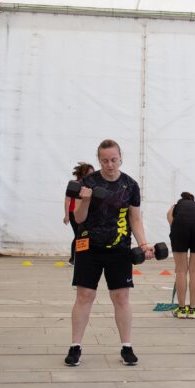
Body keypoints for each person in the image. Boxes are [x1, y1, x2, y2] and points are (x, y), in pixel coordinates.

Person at [65, 140, 154, 367]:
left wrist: (144, 244)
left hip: (119, 249)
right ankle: (75, 347)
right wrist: (85, 200)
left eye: (114, 160)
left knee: (121, 298)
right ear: (99, 160)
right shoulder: (88, 182)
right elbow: (79, 218)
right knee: (84, 296)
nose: (110, 165)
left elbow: (135, 218)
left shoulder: (130, 186)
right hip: (89, 247)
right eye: (105, 161)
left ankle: (127, 347)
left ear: (120, 157)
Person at [167, 192, 195, 319]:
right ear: (193, 200)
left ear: (181, 199)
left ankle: (181, 309)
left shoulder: (174, 207)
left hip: (180, 228)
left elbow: (172, 223)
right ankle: (192, 309)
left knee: (181, 270)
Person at [64, 162, 95, 266]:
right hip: (74, 212)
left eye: (93, 173)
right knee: (78, 234)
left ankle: (83, 257)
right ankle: (73, 259)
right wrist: (66, 215)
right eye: (90, 173)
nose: (92, 175)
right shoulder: (74, 184)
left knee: (85, 235)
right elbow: (67, 200)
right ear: (83, 173)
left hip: (86, 213)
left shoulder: (92, 185)